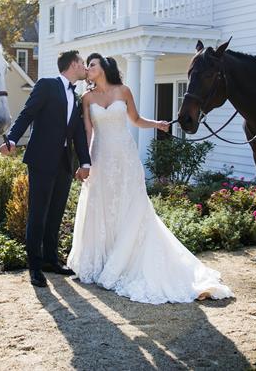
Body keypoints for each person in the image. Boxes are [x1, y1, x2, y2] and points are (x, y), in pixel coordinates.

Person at [67, 53, 233, 304]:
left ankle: (128, 260)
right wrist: (86, 163)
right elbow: (89, 132)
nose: (88, 68)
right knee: (102, 209)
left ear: (104, 68)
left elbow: (135, 119)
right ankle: (106, 260)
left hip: (125, 158)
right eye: (87, 65)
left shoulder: (123, 91)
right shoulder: (87, 98)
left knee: (130, 207)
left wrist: (157, 124)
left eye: (92, 64)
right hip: (102, 158)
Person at [0, 50, 91, 288]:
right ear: (73, 65)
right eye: (82, 63)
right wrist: (11, 139)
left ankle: (51, 260)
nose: (85, 67)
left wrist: (85, 161)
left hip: (64, 162)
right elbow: (27, 114)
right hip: (41, 160)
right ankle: (35, 268)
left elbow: (79, 132)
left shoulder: (77, 96)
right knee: (38, 215)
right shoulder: (47, 85)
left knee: (56, 213)